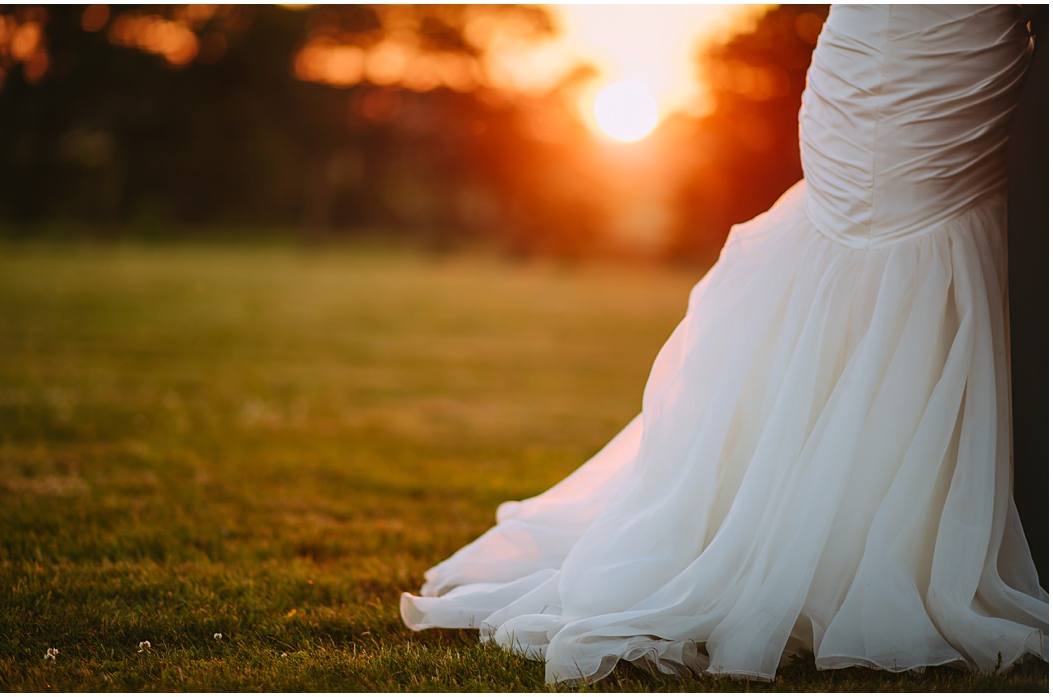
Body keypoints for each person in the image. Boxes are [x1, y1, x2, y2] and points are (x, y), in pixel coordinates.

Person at [401, 5, 1049, 685]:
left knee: (907, 264)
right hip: (885, 50)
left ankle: (862, 541)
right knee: (871, 260)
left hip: (947, 51)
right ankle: (843, 551)